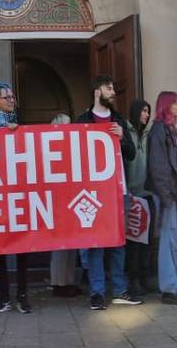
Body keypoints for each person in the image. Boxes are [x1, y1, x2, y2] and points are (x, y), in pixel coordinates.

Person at [74, 75, 142, 310]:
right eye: (108, 88)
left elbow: (132, 154)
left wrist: (123, 138)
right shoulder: (82, 121)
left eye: (113, 88)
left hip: (117, 190)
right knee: (95, 243)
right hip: (92, 193)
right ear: (96, 92)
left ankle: (120, 290)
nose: (113, 92)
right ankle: (97, 293)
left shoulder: (119, 120)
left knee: (118, 242)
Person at [0, 82, 32, 313]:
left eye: (12, 97)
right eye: (6, 97)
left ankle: (22, 295)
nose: (11, 100)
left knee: (22, 247)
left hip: (18, 194)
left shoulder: (22, 126)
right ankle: (3, 297)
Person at [146, 91, 177, 306]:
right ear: (166, 106)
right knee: (169, 242)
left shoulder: (170, 130)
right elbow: (158, 166)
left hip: (176, 195)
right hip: (168, 196)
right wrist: (166, 196)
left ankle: (176, 285)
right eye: (176, 103)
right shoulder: (159, 131)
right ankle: (169, 289)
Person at [123, 98, 156, 296]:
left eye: (148, 111)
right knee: (133, 243)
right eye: (143, 111)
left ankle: (145, 277)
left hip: (147, 194)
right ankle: (133, 279)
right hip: (132, 194)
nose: (146, 115)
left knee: (148, 241)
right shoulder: (126, 132)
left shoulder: (149, 135)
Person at [47, 113, 82, 297]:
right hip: (57, 200)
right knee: (60, 245)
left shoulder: (71, 146)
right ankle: (59, 283)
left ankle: (68, 281)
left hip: (70, 198)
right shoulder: (52, 147)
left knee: (71, 244)